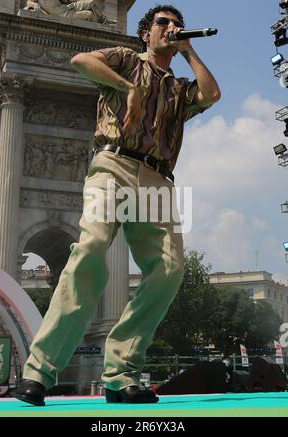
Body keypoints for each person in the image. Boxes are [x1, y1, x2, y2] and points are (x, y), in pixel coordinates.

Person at [13, 4, 220, 405]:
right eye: (164, 23)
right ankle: (39, 371)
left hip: (158, 179)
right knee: (89, 251)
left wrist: (189, 51)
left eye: (177, 24)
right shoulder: (126, 59)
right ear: (146, 32)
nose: (171, 28)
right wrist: (129, 90)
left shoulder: (179, 88)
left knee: (170, 270)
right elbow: (80, 60)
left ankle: (121, 372)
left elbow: (211, 94)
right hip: (113, 164)